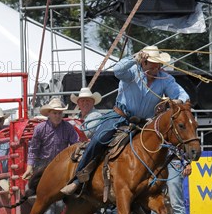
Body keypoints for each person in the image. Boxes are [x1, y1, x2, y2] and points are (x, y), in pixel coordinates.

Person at [60, 45, 189, 195]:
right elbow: (118, 70)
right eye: (153, 64)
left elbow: (180, 93)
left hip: (145, 123)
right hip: (121, 117)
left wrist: (180, 101)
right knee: (99, 139)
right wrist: (134, 59)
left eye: (158, 64)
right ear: (144, 62)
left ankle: (152, 187)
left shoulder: (165, 79)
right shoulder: (131, 73)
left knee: (161, 146)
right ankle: (77, 179)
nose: (156, 67)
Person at [22, 97, 79, 214]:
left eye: (60, 112)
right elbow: (33, 149)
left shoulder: (68, 128)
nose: (58, 115)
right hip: (44, 167)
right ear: (49, 113)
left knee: (58, 203)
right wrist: (30, 167)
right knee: (48, 202)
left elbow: (76, 145)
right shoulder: (40, 129)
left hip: (61, 168)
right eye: (55, 112)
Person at [71, 87, 122, 214]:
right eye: (82, 101)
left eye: (87, 100)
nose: (85, 103)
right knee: (101, 199)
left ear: (92, 102)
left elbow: (89, 134)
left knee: (107, 197)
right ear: (78, 103)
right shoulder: (82, 117)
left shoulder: (95, 116)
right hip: (96, 158)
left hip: (99, 159)